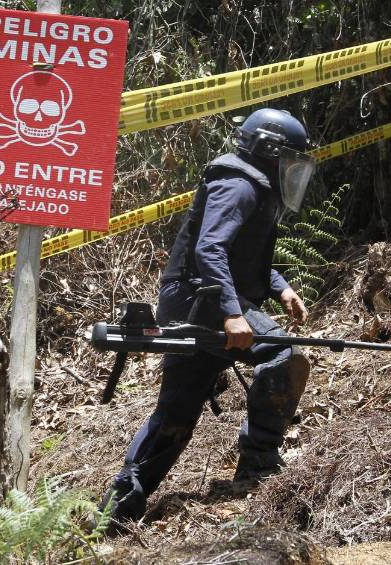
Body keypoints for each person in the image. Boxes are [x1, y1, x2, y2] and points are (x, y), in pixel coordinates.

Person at [102, 107, 316, 524]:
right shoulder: (238, 185)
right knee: (281, 354)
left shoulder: (251, 185)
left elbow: (242, 260)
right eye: (289, 156)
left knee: (177, 413)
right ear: (269, 150)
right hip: (199, 304)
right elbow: (210, 251)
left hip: (203, 300)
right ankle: (259, 464)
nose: (293, 167)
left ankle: (116, 510)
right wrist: (232, 314)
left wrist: (281, 287)